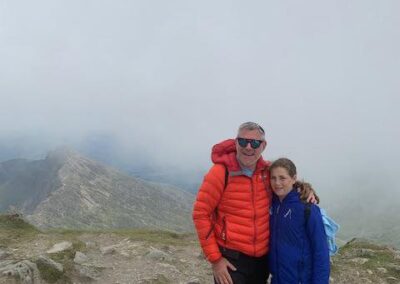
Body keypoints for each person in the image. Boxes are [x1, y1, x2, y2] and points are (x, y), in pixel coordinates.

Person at [192, 122, 314, 284]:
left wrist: (304, 189)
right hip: (231, 259)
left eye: (255, 143)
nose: (248, 147)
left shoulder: (267, 172)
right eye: (243, 141)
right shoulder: (220, 172)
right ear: (235, 142)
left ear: (263, 146)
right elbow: (201, 214)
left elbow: (285, 185)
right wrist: (215, 260)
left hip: (261, 261)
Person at [268, 158, 330, 284]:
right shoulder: (271, 204)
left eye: (282, 178)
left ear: (294, 178)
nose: (277, 183)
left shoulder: (307, 208)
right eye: (273, 178)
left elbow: (321, 252)